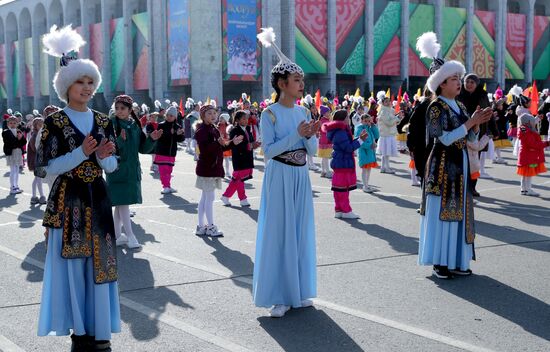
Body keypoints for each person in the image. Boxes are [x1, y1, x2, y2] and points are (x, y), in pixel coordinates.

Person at [36, 25, 120, 351]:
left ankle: (99, 329)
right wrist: (81, 153)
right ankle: (79, 332)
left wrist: (103, 157)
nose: (86, 87)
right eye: (80, 82)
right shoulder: (55, 123)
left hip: (97, 197)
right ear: (66, 86)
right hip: (68, 199)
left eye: (90, 82)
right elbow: (45, 169)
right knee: (73, 265)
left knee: (101, 263)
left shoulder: (101, 120)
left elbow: (111, 166)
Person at [254, 27, 321, 318]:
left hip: (300, 176)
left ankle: (299, 291)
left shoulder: (304, 112)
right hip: (279, 176)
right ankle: (279, 295)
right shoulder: (268, 114)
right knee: (279, 234)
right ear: (282, 83)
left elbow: (314, 151)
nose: (301, 84)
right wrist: (297, 135)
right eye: (296, 80)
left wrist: (308, 135)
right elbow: (267, 152)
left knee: (300, 232)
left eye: (301, 79)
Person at [415, 32, 493, 279]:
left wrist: (477, 126)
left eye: (459, 78)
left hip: (459, 165)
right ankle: (440, 262)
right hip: (441, 166)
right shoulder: (435, 107)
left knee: (461, 213)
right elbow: (444, 138)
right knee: (443, 212)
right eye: (453, 78)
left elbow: (467, 139)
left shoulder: (460, 106)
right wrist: (470, 124)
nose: (459, 82)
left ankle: (458, 260)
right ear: (440, 83)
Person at [107, 95, 162, 250]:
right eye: (116, 108)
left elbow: (143, 149)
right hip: (117, 171)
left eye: (122, 108)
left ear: (130, 110)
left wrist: (152, 139)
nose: (119, 111)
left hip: (132, 171)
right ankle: (130, 236)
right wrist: (119, 140)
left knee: (120, 204)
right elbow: (108, 148)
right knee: (123, 204)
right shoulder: (111, 124)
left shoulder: (135, 126)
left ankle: (117, 236)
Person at [195, 104, 243, 237]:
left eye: (214, 113)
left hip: (212, 167)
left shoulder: (213, 129)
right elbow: (205, 149)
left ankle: (201, 226)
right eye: (209, 113)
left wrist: (233, 143)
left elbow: (220, 148)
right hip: (207, 168)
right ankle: (210, 227)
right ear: (203, 116)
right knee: (209, 197)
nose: (213, 115)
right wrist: (219, 143)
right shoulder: (202, 131)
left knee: (205, 197)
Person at [327, 109, 368, 219]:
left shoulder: (339, 130)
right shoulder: (340, 131)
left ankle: (339, 209)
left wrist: (359, 139)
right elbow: (348, 147)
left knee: (338, 188)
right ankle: (346, 210)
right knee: (342, 188)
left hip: (340, 161)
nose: (348, 119)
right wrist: (360, 141)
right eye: (346, 117)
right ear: (342, 119)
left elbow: (347, 144)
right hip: (343, 162)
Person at [221, 110, 259, 207]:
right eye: (243, 118)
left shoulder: (247, 129)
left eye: (247, 118)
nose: (246, 120)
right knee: (239, 179)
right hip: (239, 158)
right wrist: (249, 145)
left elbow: (250, 141)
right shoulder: (234, 130)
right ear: (237, 120)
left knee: (237, 179)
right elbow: (235, 145)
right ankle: (243, 199)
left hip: (247, 157)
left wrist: (255, 144)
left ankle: (225, 196)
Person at [516, 113, 549, 196]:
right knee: (529, 174)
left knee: (525, 174)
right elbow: (534, 144)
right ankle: (528, 189)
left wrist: (537, 118)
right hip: (529, 155)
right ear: (528, 122)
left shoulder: (524, 129)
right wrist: (547, 143)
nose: (534, 123)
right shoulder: (527, 132)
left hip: (526, 154)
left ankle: (523, 189)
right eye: (532, 121)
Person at [154, 106, 185, 194]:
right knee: (163, 171)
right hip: (162, 151)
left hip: (171, 153)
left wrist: (180, 134)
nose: (169, 117)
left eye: (171, 115)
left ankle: (168, 185)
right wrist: (172, 133)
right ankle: (165, 186)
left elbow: (181, 140)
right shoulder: (161, 125)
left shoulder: (177, 126)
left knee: (169, 171)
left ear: (175, 117)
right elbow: (160, 137)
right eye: (167, 115)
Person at [407, 87, 433, 185]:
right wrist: (411, 146)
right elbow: (413, 126)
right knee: (426, 177)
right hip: (424, 146)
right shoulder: (422, 106)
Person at [376, 92, 400, 173]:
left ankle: (383, 167)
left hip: (387, 133)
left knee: (385, 153)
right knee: (386, 152)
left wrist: (397, 118)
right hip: (386, 134)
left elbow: (392, 121)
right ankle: (386, 168)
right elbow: (389, 123)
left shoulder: (388, 110)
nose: (388, 102)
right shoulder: (383, 111)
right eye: (386, 101)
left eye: (389, 101)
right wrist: (396, 118)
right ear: (382, 102)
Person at [355, 113, 379, 192]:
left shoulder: (370, 128)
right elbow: (359, 141)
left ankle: (367, 185)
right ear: (361, 121)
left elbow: (377, 135)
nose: (367, 122)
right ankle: (365, 186)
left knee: (368, 169)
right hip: (363, 152)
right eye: (365, 121)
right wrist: (369, 145)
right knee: (365, 169)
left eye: (369, 121)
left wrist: (373, 126)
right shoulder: (359, 128)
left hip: (370, 152)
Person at [2, 115, 26, 194]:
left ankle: (16, 185)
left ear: (17, 123)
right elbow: (11, 143)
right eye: (11, 123)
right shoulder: (6, 132)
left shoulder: (19, 131)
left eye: (14, 123)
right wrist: (18, 139)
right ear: (8, 124)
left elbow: (24, 142)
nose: (13, 124)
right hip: (11, 153)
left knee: (17, 170)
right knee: (13, 170)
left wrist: (21, 138)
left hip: (18, 152)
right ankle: (12, 187)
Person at [27, 117, 47, 204]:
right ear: (35, 126)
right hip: (37, 160)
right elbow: (35, 148)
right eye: (40, 125)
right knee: (39, 178)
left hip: (39, 159)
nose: (42, 126)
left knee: (36, 179)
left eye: (43, 124)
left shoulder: (40, 133)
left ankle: (34, 196)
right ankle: (42, 196)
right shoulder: (34, 135)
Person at [318, 105, 333, 178]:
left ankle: (323, 171)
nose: (329, 113)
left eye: (329, 112)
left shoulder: (323, 120)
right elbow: (325, 130)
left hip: (323, 140)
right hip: (326, 140)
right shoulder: (324, 121)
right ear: (324, 113)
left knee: (324, 157)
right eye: (328, 112)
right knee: (326, 157)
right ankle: (327, 171)